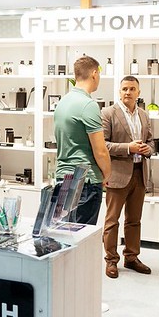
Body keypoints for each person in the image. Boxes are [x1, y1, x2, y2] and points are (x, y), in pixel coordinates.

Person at [101, 76, 154, 278]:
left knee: (134, 220)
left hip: (139, 173)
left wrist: (148, 149)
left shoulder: (144, 115)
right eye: (124, 89)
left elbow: (151, 142)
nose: (128, 92)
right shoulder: (108, 113)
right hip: (117, 174)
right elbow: (103, 145)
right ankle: (111, 260)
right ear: (119, 91)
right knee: (112, 221)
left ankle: (131, 257)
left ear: (138, 93)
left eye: (132, 89)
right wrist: (128, 148)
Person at [53, 56, 111, 225]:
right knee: (83, 235)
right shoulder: (88, 105)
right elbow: (100, 151)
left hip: (63, 178)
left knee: (63, 232)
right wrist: (106, 175)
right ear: (94, 73)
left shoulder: (63, 102)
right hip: (85, 182)